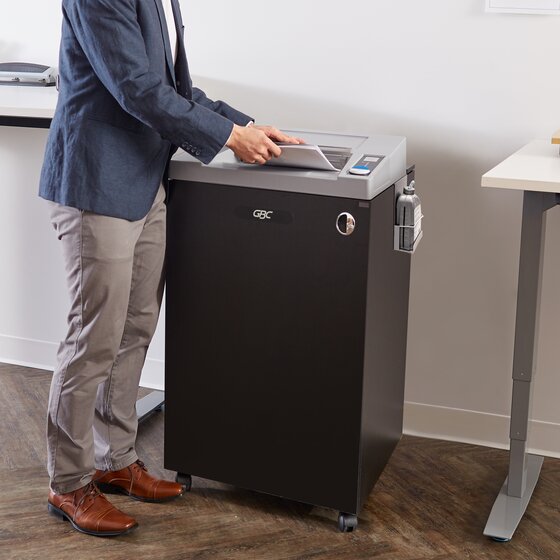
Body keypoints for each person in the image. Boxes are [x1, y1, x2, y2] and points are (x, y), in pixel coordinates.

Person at [39, 0, 302, 537]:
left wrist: (247, 126)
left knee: (134, 329)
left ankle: (114, 460)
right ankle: (68, 483)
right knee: (93, 338)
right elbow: (136, 88)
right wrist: (229, 138)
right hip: (97, 183)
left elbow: (176, 89)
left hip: (145, 182)